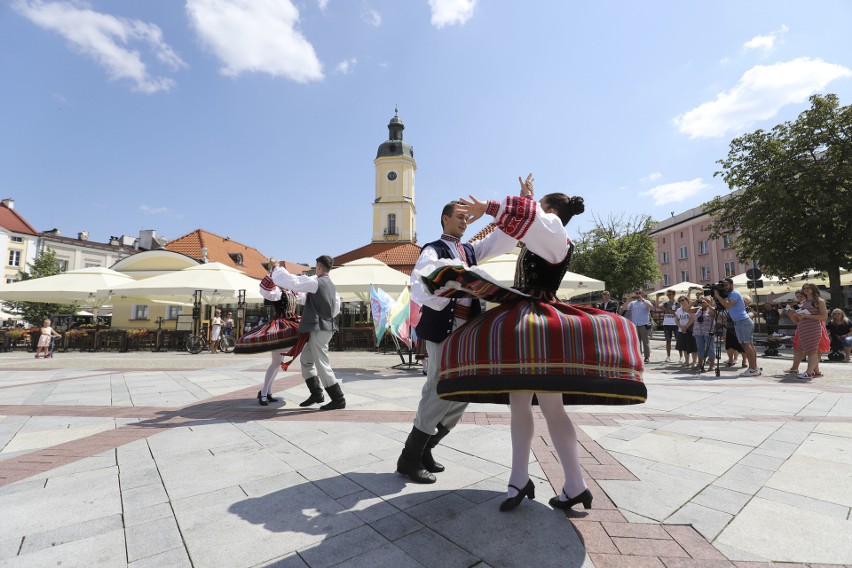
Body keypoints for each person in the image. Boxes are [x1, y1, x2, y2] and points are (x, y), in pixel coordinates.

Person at [423, 175, 646, 512]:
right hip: (528, 321)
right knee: (522, 404)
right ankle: (525, 480)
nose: (535, 210)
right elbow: (525, 224)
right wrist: (528, 198)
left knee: (548, 407)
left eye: (540, 206)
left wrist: (489, 207)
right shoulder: (546, 231)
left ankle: (569, 483)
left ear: (553, 210)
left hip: (538, 324)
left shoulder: (555, 228)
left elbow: (531, 219)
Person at [396, 195, 519, 484]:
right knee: (440, 387)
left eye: (467, 218)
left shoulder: (470, 250)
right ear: (445, 219)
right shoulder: (432, 250)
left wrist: (521, 203)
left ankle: (426, 448)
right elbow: (419, 284)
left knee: (463, 389)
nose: (465, 222)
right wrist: (449, 284)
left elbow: (502, 238)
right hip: (443, 328)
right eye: (460, 217)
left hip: (468, 331)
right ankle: (410, 457)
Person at [269, 255, 347, 410]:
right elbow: (335, 309)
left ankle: (338, 398)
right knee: (306, 360)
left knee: (322, 363)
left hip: (320, 329)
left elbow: (293, 281)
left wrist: (276, 268)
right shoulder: (331, 286)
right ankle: (316, 393)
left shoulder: (315, 282)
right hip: (324, 328)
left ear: (318, 267)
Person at [235, 259, 303, 406]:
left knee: (277, 362)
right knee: (275, 362)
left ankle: (267, 392)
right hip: (281, 326)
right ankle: (264, 392)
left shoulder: (292, 291)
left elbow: (305, 295)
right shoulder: (278, 290)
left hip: (291, 325)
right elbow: (266, 291)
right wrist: (272, 272)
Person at [714, 278, 761, 376]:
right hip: (741, 321)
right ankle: (754, 368)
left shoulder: (734, 294)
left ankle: (753, 369)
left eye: (726, 285)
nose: (725, 287)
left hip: (742, 321)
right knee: (748, 345)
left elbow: (728, 305)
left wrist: (718, 296)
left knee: (746, 345)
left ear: (731, 284)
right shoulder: (730, 295)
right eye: (723, 285)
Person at [790, 284, 828, 380]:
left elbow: (824, 317)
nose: (806, 290)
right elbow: (798, 320)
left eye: (808, 288)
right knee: (808, 350)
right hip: (803, 328)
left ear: (813, 289)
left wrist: (807, 316)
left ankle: (808, 372)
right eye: (804, 288)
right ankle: (815, 371)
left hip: (813, 327)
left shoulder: (819, 301)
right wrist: (793, 314)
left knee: (812, 351)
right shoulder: (803, 302)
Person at [623, 290, 654, 363]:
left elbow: (652, 308)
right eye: (636, 293)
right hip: (635, 325)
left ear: (642, 294)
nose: (638, 295)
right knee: (637, 342)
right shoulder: (633, 303)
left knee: (645, 342)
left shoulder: (646, 301)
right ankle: (638, 356)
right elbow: (624, 308)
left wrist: (642, 299)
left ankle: (647, 357)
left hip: (644, 324)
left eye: (639, 293)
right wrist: (628, 300)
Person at [690, 295, 717, 372]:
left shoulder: (711, 309)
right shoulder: (698, 309)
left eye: (704, 301)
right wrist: (693, 303)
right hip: (698, 331)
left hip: (708, 331)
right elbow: (688, 310)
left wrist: (708, 305)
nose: (702, 303)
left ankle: (712, 365)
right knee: (700, 348)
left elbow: (715, 312)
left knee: (710, 348)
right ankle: (700, 364)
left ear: (709, 302)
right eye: (701, 301)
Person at [656, 291, 681, 363]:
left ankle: (681, 357)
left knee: (678, 340)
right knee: (668, 340)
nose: (668, 296)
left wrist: (668, 311)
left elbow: (679, 311)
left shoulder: (678, 303)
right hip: (667, 324)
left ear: (674, 295)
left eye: (670, 294)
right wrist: (657, 297)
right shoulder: (665, 303)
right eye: (667, 295)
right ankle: (668, 356)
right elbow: (658, 306)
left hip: (676, 324)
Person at [675, 296, 698, 367]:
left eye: (682, 300)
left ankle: (694, 361)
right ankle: (686, 361)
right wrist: (681, 327)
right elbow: (676, 320)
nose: (681, 302)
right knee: (684, 347)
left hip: (691, 329)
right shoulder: (679, 310)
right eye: (679, 301)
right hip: (682, 330)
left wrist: (686, 327)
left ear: (687, 300)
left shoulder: (691, 308)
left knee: (693, 347)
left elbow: (692, 318)